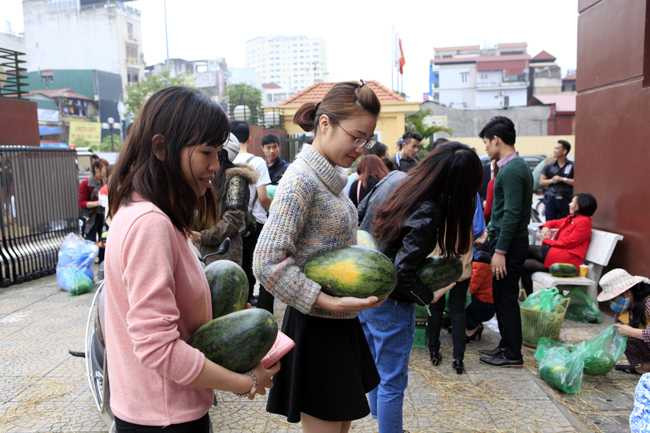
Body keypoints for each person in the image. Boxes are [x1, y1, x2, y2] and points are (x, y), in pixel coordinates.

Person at [103, 86, 278, 433]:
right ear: (161, 148)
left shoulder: (140, 210)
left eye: (219, 153)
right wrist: (244, 382)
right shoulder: (150, 224)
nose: (215, 166)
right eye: (206, 153)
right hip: (166, 418)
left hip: (153, 410)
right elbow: (158, 348)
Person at [253, 81, 383, 433]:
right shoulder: (300, 181)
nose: (360, 148)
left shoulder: (331, 180)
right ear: (324, 124)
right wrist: (325, 300)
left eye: (367, 140)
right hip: (316, 328)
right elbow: (266, 260)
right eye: (355, 137)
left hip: (339, 325)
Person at [359, 142, 482, 432]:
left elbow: (360, 218)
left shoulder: (395, 180)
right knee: (392, 380)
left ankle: (379, 418)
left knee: (375, 366)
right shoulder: (427, 211)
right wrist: (428, 295)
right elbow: (402, 274)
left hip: (364, 289)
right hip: (390, 302)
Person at [478, 116, 532, 368]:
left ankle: (512, 353)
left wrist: (500, 250)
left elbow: (511, 213)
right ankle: (506, 345)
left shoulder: (512, 170)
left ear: (496, 140)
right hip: (506, 241)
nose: (486, 147)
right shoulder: (512, 167)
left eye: (487, 142)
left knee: (506, 298)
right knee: (502, 297)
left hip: (508, 245)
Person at [191, 133, 253, 266]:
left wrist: (203, 236)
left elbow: (234, 219)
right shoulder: (206, 177)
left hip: (224, 252)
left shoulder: (236, 179)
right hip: (200, 249)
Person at [230, 121, 273, 311]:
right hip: (256, 222)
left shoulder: (227, 159)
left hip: (234, 223)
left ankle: (242, 303)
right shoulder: (258, 163)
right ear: (249, 138)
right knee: (260, 266)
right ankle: (260, 307)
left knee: (241, 267)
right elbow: (263, 197)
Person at [520, 193, 597, 294]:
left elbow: (569, 242)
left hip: (565, 263)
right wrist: (546, 227)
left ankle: (522, 293)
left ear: (580, 206)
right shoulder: (573, 218)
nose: (569, 204)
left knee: (523, 253)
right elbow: (554, 222)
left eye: (573, 202)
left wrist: (546, 241)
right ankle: (528, 295)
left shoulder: (584, 222)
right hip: (556, 256)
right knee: (523, 261)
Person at [597, 269, 650, 375]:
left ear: (627, 293)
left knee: (629, 333)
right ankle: (644, 366)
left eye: (614, 299)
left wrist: (630, 331)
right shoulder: (630, 307)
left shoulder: (648, 302)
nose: (612, 303)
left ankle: (645, 367)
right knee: (625, 335)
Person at [79, 158, 109, 263]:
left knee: (104, 241)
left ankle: (103, 263)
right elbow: (82, 203)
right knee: (90, 243)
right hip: (90, 217)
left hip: (103, 216)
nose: (104, 173)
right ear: (96, 169)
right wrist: (99, 202)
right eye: (103, 170)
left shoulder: (106, 182)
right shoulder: (85, 183)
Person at [540, 140, 575, 220]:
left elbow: (577, 182)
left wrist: (563, 179)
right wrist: (552, 180)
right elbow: (541, 182)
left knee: (565, 223)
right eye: (554, 148)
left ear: (564, 151)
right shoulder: (549, 166)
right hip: (551, 199)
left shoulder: (572, 166)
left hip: (566, 199)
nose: (554, 150)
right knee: (550, 223)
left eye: (557, 148)